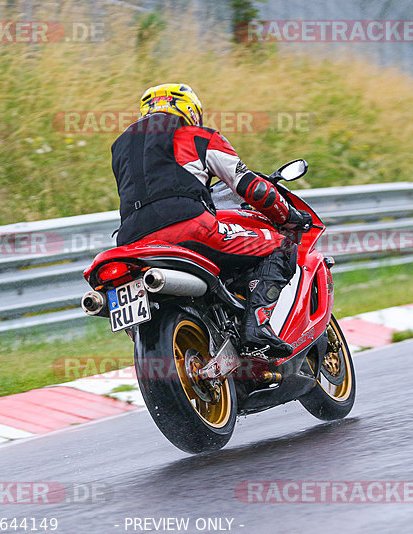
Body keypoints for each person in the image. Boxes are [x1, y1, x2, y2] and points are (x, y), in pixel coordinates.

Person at [111, 83, 312, 359]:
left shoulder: (120, 148)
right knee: (281, 246)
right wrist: (288, 216)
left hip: (132, 242)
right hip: (190, 228)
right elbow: (250, 186)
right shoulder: (198, 136)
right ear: (190, 111)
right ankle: (257, 325)